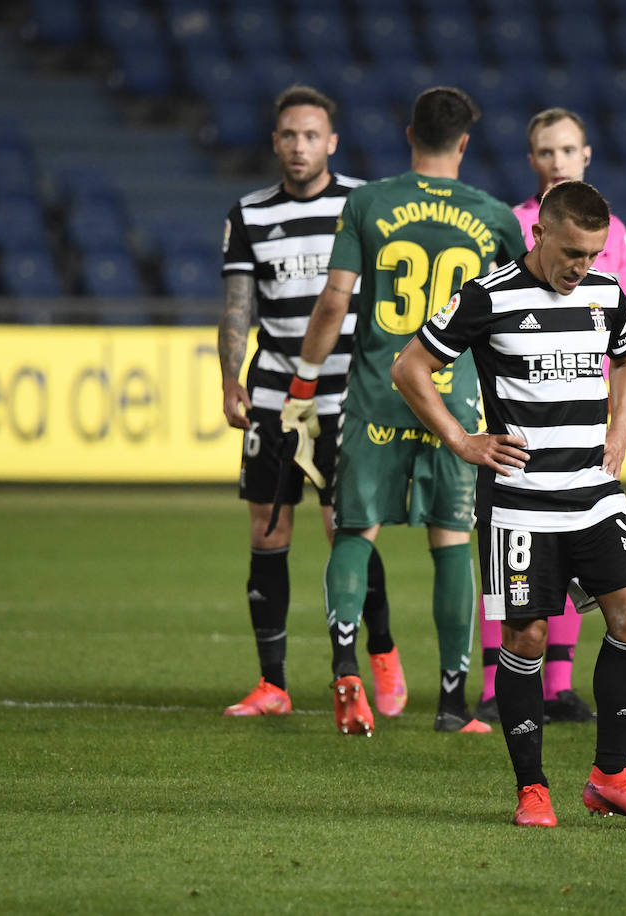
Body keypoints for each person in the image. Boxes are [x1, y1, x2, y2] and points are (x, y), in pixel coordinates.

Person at [391, 180, 626, 828]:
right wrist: (462, 439)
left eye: (593, 253)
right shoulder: (487, 297)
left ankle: (610, 777)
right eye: (572, 252)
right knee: (527, 635)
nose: (582, 267)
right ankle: (533, 789)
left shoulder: (607, 293)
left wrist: (621, 421)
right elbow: (409, 367)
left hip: (593, 491)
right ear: (539, 234)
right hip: (521, 499)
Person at [284, 86, 526, 736]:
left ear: (408, 133)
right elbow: (513, 319)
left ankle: (344, 670)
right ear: (465, 143)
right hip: (455, 402)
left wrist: (304, 383)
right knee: (451, 543)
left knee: (354, 533)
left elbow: (334, 304)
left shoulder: (368, 202)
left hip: (374, 395)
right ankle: (453, 703)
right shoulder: (496, 217)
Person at [218, 86, 404, 719]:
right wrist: (230, 378)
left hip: (346, 397)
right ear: (275, 143)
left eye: (311, 136)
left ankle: (375, 655)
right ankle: (273, 684)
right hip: (274, 395)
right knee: (268, 532)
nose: (299, 147)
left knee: (344, 532)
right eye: (289, 136)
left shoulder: (363, 205)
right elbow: (238, 305)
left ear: (331, 142)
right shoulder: (248, 214)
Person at [475, 107, 626, 725]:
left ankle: (559, 684)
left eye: (567, 150)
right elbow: (491, 311)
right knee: (518, 566)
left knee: (585, 558)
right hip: (520, 412)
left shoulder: (614, 237)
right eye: (545, 152)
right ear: (532, 162)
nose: (557, 161)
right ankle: (502, 682)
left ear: (586, 156)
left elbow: (623, 327)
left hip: (584, 415)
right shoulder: (510, 224)